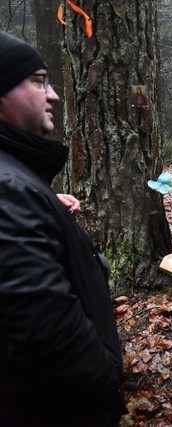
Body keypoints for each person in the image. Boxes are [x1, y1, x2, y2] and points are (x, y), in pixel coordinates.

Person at [0, 32, 126, 426]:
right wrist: (106, 378)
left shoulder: (16, 183)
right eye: (39, 80)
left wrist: (43, 205)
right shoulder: (9, 190)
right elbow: (47, 333)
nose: (52, 95)